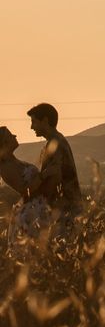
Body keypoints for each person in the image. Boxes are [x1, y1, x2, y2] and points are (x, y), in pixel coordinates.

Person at [28, 103, 82, 238]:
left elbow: (54, 179)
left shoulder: (55, 145)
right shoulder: (57, 141)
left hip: (64, 211)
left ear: (45, 121)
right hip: (68, 209)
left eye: (34, 121)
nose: (31, 127)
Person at [0, 126, 52, 250]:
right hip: (30, 214)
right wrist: (45, 174)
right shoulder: (5, 167)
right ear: (5, 142)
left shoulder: (13, 161)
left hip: (37, 208)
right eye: (11, 135)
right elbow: (25, 190)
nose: (15, 136)